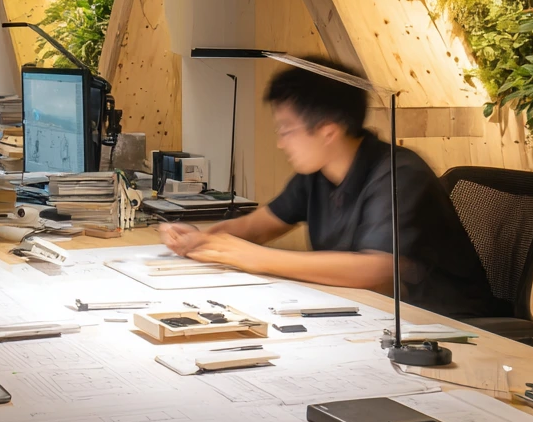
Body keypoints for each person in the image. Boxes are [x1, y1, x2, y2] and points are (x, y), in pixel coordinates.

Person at [159, 58, 502, 320]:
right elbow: (256, 227)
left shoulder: (399, 174)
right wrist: (201, 239)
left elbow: (378, 270)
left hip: (443, 326)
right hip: (362, 314)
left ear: (327, 131)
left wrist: (256, 258)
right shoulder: (318, 174)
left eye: (286, 130)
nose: (280, 143)